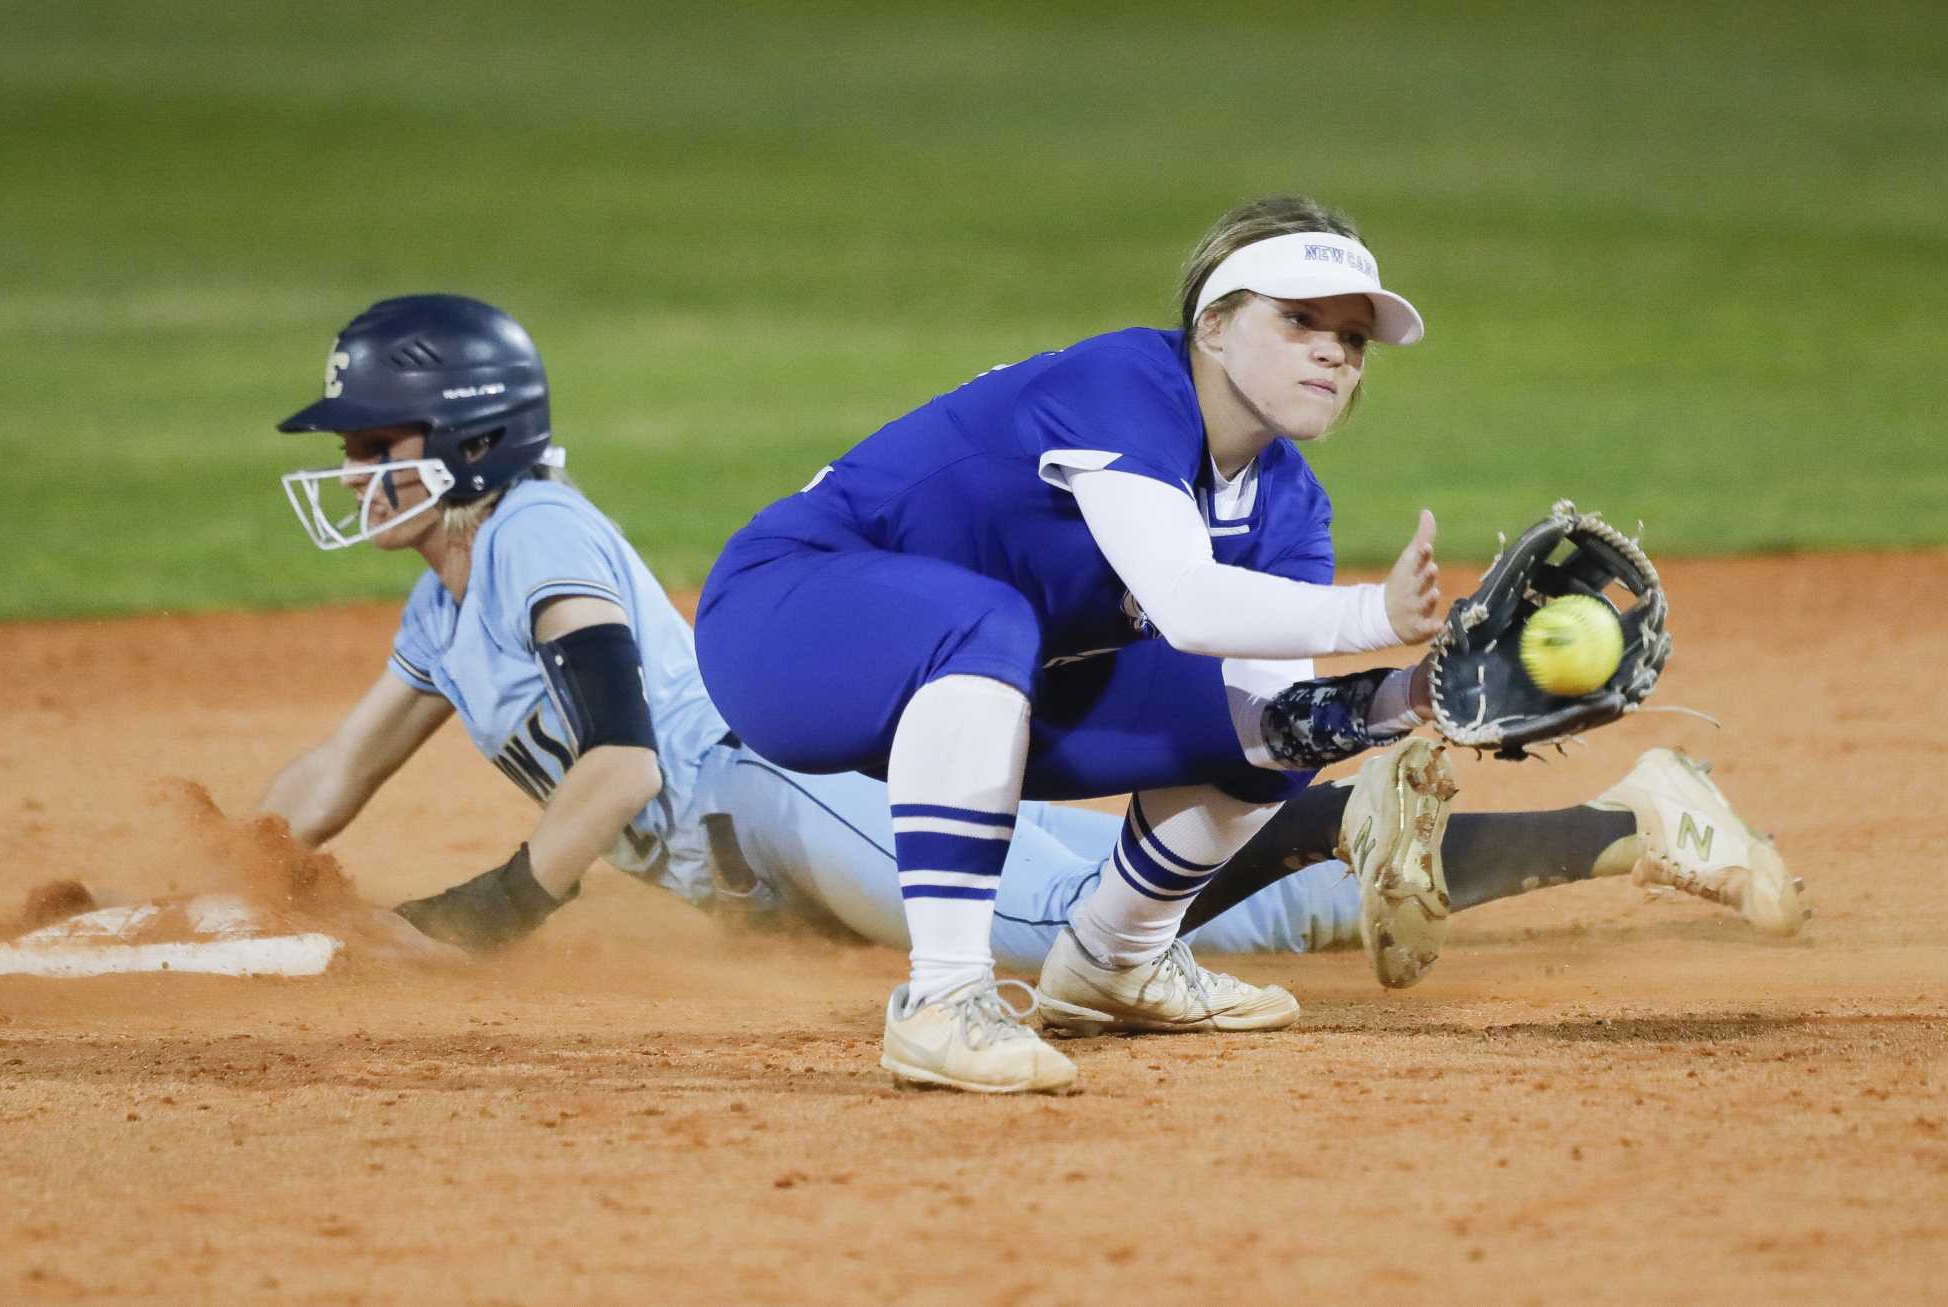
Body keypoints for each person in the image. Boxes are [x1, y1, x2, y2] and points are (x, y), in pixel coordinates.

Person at [258, 289, 1801, 1096]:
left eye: (371, 441)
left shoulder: (532, 536)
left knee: (1186, 919)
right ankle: (1361, 810)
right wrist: (219, 871)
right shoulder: (439, 602)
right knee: (1125, 888)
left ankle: (1627, 818)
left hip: (797, 800)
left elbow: (615, 773)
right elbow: (331, 778)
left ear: (461, 437)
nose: (353, 469)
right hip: (776, 852)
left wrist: (481, 916)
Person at [692, 194, 1799, 1095]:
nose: (1333, 356)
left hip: (971, 682)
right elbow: (1184, 604)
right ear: (1211, 325)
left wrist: (1413, 692)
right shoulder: (1121, 384)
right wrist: (1373, 618)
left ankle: (1113, 961)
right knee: (989, 622)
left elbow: (1267, 723)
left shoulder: (1286, 506)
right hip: (786, 621)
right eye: (1299, 322)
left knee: (1263, 742)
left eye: (1352, 339)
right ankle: (938, 1001)